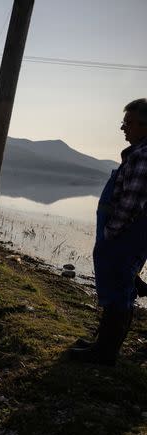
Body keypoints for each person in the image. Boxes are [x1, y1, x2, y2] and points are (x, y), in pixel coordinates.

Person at [69, 98, 147, 366]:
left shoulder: (143, 155)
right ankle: (102, 345)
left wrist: (110, 234)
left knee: (118, 293)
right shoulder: (136, 153)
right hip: (124, 237)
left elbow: (131, 202)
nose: (123, 128)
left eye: (128, 123)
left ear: (144, 125)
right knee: (116, 291)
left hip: (125, 237)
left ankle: (105, 354)